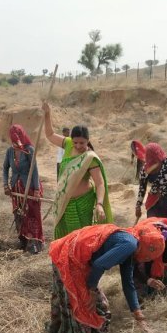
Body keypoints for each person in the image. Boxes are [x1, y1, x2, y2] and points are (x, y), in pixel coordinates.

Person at [46, 221, 166, 333]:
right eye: (148, 258)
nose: (146, 260)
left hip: (74, 255)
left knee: (89, 303)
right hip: (70, 256)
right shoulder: (129, 244)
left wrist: (139, 318)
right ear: (147, 249)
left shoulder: (132, 245)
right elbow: (99, 265)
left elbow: (128, 284)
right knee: (87, 305)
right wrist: (91, 290)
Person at [42, 102, 113, 239]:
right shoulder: (68, 145)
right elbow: (50, 135)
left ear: (88, 141)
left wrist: (99, 204)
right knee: (64, 237)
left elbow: (99, 183)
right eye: (75, 142)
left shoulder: (90, 158)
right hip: (64, 202)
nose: (78, 146)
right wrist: (47, 114)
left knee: (81, 238)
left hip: (83, 204)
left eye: (82, 143)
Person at [3, 124, 43, 253]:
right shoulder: (10, 151)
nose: (16, 141)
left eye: (18, 137)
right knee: (19, 213)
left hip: (30, 187)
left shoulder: (29, 150)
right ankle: (23, 240)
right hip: (16, 189)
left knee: (32, 214)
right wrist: (6, 185)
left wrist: (36, 190)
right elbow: (5, 168)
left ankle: (34, 242)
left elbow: (34, 170)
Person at [133, 218, 167, 300]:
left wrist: (165, 260)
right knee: (140, 276)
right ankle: (147, 297)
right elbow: (132, 269)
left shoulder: (165, 239)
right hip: (147, 240)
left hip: (165, 246)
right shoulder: (134, 246)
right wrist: (148, 280)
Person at [135, 143, 167, 224]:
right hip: (153, 202)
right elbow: (142, 189)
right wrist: (138, 205)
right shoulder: (145, 169)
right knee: (153, 227)